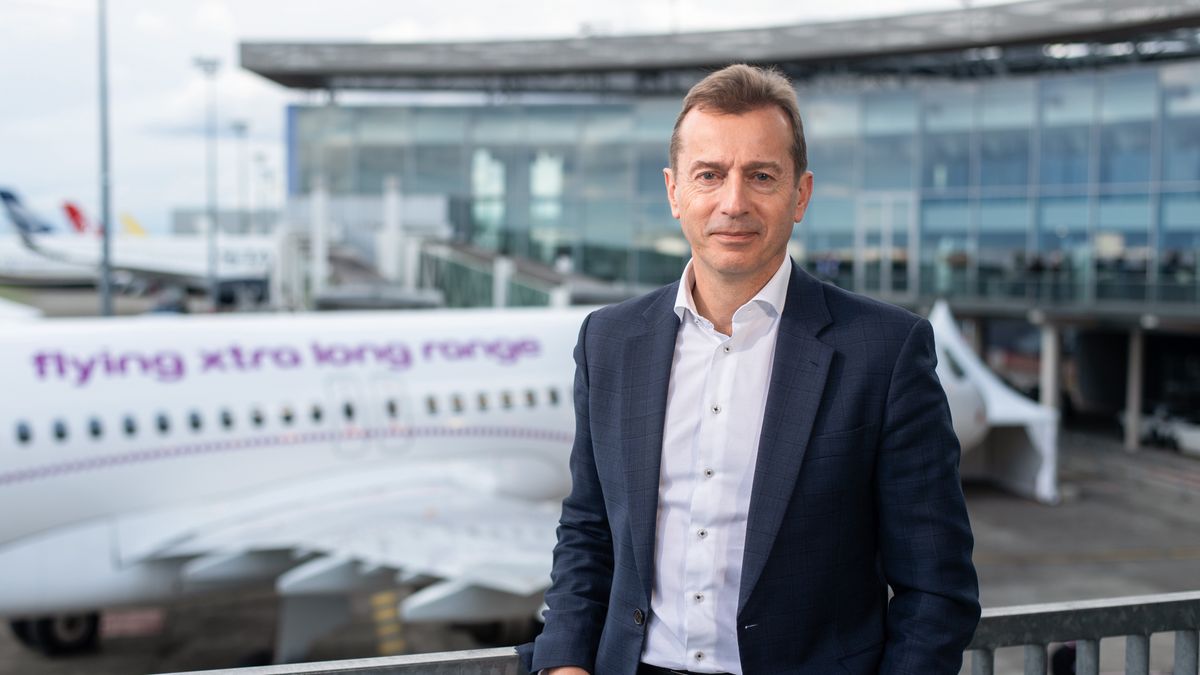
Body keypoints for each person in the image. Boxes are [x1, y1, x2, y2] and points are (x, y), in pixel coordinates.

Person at [518, 64, 980, 675]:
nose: (733, 203)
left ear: (800, 195)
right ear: (674, 192)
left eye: (761, 176)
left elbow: (936, 589)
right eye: (709, 175)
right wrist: (564, 665)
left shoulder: (885, 351)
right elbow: (589, 530)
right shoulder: (610, 341)